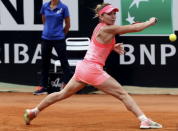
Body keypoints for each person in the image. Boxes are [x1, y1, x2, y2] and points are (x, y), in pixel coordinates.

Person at [24, 3, 162, 129]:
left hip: (83, 68)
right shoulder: (109, 29)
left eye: (115, 13)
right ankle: (144, 120)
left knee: (62, 94)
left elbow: (99, 45)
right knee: (123, 94)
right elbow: (135, 28)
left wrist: (112, 47)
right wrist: (151, 21)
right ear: (101, 16)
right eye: (110, 14)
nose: (113, 16)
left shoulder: (100, 27)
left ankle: (33, 111)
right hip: (92, 70)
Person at [33, 0, 72, 95]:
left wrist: (61, 34)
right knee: (45, 63)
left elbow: (67, 25)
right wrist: (48, 31)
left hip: (59, 39)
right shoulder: (45, 6)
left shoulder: (64, 7)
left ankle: (67, 85)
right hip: (46, 38)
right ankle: (43, 87)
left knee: (64, 62)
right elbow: (44, 21)